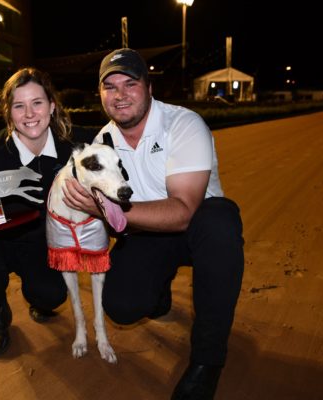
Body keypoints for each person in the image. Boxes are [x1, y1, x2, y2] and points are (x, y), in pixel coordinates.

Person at [62, 48, 245, 399]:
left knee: (221, 220)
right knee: (121, 306)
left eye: (130, 84)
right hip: (145, 230)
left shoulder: (183, 123)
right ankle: (157, 291)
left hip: (197, 228)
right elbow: (94, 213)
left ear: (148, 87)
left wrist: (106, 212)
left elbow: (183, 211)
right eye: (110, 87)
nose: (120, 95)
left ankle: (208, 361)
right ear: (100, 94)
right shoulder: (102, 143)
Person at [0, 67, 95, 357]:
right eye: (19, 105)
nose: (29, 114)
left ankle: (38, 297)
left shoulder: (72, 145)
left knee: (51, 296)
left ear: (52, 106)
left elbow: (114, 140)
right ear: (9, 113)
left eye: (37, 103)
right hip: (0, 242)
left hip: (43, 242)